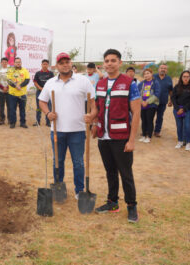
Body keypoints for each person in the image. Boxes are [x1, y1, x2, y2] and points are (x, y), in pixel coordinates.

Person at [90, 49, 141, 223]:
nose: (109, 63)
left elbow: (136, 112)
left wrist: (132, 140)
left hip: (121, 137)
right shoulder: (101, 84)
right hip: (104, 137)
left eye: (113, 60)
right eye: (107, 61)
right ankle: (112, 202)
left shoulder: (130, 83)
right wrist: (93, 121)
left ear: (120, 62)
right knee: (110, 171)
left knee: (125, 173)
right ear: (103, 64)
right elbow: (97, 107)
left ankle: (132, 206)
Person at [38, 52, 96, 199]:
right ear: (57, 66)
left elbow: (94, 104)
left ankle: (79, 190)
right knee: (58, 161)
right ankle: (59, 187)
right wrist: (48, 113)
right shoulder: (50, 83)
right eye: (61, 62)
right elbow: (42, 101)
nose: (65, 64)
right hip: (57, 131)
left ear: (71, 63)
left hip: (77, 130)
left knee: (78, 162)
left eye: (67, 62)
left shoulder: (83, 81)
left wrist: (92, 115)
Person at [172, 71, 190, 151]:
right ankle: (180, 141)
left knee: (187, 126)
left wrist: (184, 109)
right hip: (177, 109)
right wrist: (177, 108)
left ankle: (188, 143)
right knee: (179, 126)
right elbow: (173, 98)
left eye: (187, 77)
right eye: (184, 76)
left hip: (188, 110)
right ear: (181, 77)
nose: (186, 78)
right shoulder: (177, 86)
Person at [137, 68, 160, 143]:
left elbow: (157, 94)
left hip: (151, 105)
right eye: (145, 74)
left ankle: (149, 136)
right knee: (143, 121)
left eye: (148, 73)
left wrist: (147, 102)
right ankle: (144, 135)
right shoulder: (141, 83)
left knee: (149, 120)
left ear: (151, 74)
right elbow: (137, 94)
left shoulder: (155, 83)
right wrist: (141, 102)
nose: (146, 75)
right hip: (142, 105)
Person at [7, 57, 30, 129]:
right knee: (12, 109)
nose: (18, 63)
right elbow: (9, 80)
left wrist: (20, 85)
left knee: (22, 109)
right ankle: (12, 123)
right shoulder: (10, 70)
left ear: (21, 63)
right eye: (16, 62)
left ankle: (22, 123)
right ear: (14, 63)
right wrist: (15, 86)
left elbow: (27, 80)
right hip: (12, 94)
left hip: (22, 94)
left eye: (19, 62)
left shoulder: (25, 70)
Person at [153, 63, 173, 137]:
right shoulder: (153, 77)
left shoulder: (169, 79)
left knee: (160, 117)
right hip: (152, 101)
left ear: (166, 70)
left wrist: (171, 100)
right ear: (158, 69)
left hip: (163, 101)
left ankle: (157, 131)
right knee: (150, 116)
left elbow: (171, 90)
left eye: (165, 68)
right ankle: (147, 130)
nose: (163, 70)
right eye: (161, 68)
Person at [33, 59, 55, 126]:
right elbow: (35, 82)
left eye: (46, 64)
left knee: (48, 107)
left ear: (48, 65)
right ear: (41, 65)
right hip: (40, 92)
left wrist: (47, 89)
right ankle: (37, 121)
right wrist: (40, 88)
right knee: (39, 107)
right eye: (43, 64)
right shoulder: (38, 73)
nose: (45, 65)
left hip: (48, 93)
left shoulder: (51, 73)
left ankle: (48, 122)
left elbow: (53, 82)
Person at [0, 57, 10, 125]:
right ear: (1, 63)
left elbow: (12, 80)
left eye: (5, 62)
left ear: (7, 63)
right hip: (1, 91)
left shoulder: (10, 70)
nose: (4, 63)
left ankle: (10, 119)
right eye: (3, 62)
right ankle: (2, 119)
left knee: (9, 106)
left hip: (9, 91)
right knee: (1, 106)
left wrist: (7, 87)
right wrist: (2, 88)